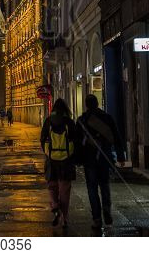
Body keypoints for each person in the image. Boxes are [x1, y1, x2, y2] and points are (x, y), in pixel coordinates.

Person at [76, 94, 125, 230]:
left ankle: (97, 219)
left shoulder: (82, 120)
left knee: (92, 189)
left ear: (86, 105)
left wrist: (78, 160)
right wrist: (121, 157)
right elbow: (116, 136)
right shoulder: (107, 118)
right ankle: (107, 209)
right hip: (105, 158)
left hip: (89, 160)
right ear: (97, 104)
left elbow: (77, 143)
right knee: (104, 185)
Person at [41, 99, 76, 228]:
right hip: (66, 160)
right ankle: (65, 218)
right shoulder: (69, 122)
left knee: (52, 186)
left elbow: (42, 139)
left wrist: (47, 154)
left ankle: (55, 206)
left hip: (51, 160)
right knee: (64, 190)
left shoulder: (49, 121)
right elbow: (75, 139)